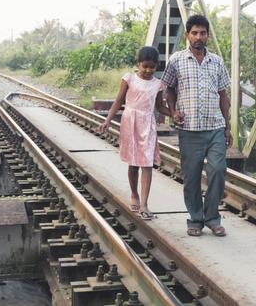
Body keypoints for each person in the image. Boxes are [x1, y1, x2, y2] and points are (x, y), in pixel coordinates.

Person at [161, 14, 232, 237]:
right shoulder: (176, 60)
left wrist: (227, 127)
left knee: (218, 170)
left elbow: (223, 95)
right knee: (191, 177)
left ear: (207, 35)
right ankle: (195, 219)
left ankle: (212, 218)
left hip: (215, 127)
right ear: (187, 35)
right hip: (190, 129)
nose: (199, 37)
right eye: (194, 33)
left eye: (202, 33)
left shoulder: (217, 62)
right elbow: (169, 88)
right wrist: (173, 111)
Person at [97, 46, 172, 220]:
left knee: (147, 163)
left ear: (157, 66)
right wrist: (107, 121)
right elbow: (118, 101)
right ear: (138, 64)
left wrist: (174, 113)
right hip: (130, 122)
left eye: (151, 67)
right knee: (133, 163)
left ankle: (144, 204)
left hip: (147, 123)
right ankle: (134, 194)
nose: (147, 70)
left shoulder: (158, 84)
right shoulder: (129, 79)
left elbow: (160, 107)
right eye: (144, 66)